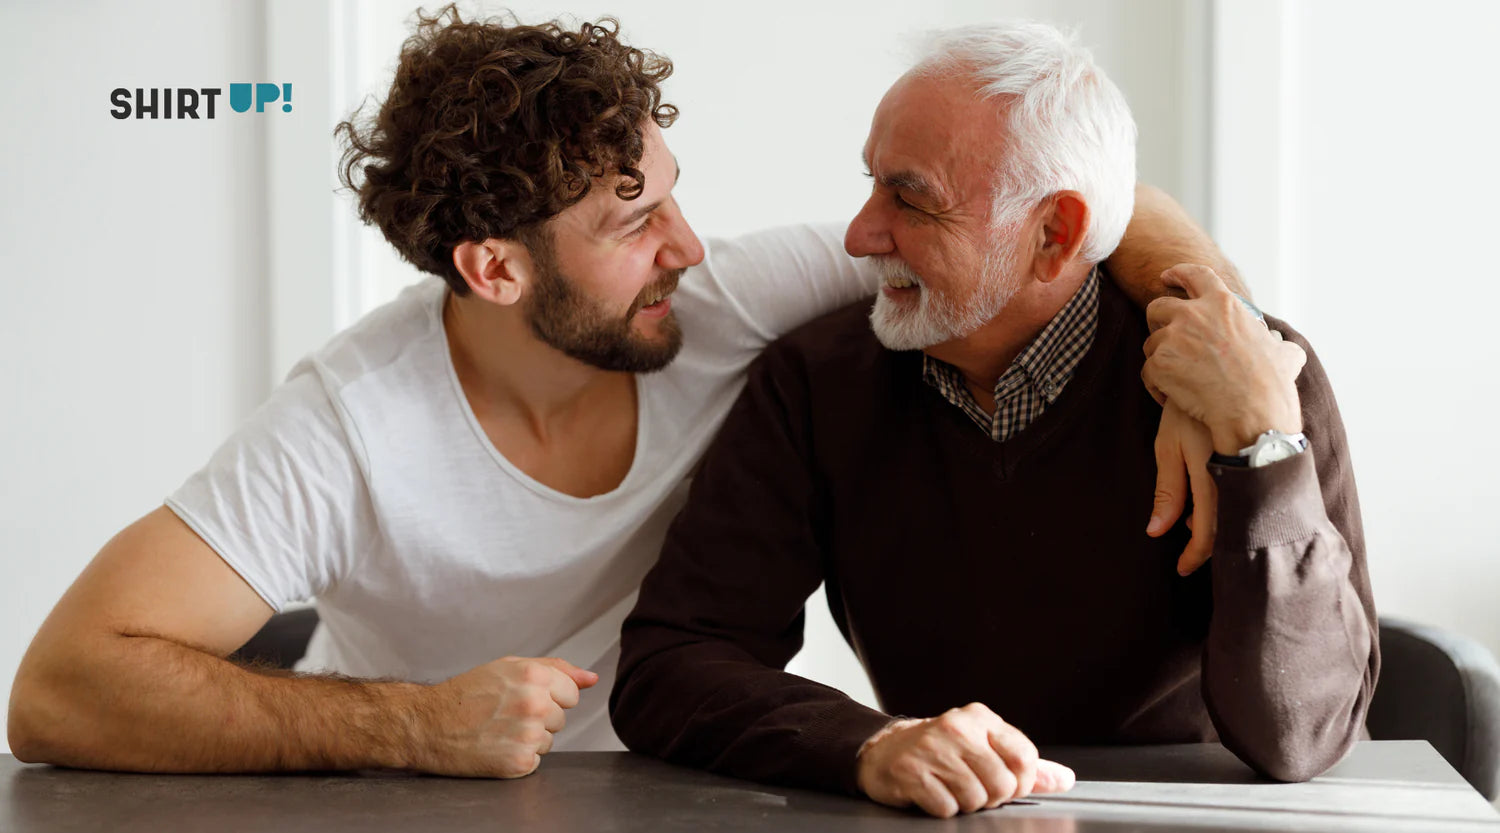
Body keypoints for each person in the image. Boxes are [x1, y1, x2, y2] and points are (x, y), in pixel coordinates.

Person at [8, 8, 1251, 777]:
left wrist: (1212, 341)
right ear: (495, 269)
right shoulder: (347, 427)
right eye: (633, 218)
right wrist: (412, 728)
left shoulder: (722, 302)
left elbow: (1074, 203)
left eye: (672, 190)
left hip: (690, 789)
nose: (690, 245)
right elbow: (59, 684)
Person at [610, 21, 1377, 818]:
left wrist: (1262, 450)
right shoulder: (815, 383)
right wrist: (868, 743)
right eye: (871, 183)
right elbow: (673, 660)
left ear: (1056, 233)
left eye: (910, 198)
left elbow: (1302, 737)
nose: (859, 235)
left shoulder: (1255, 380)